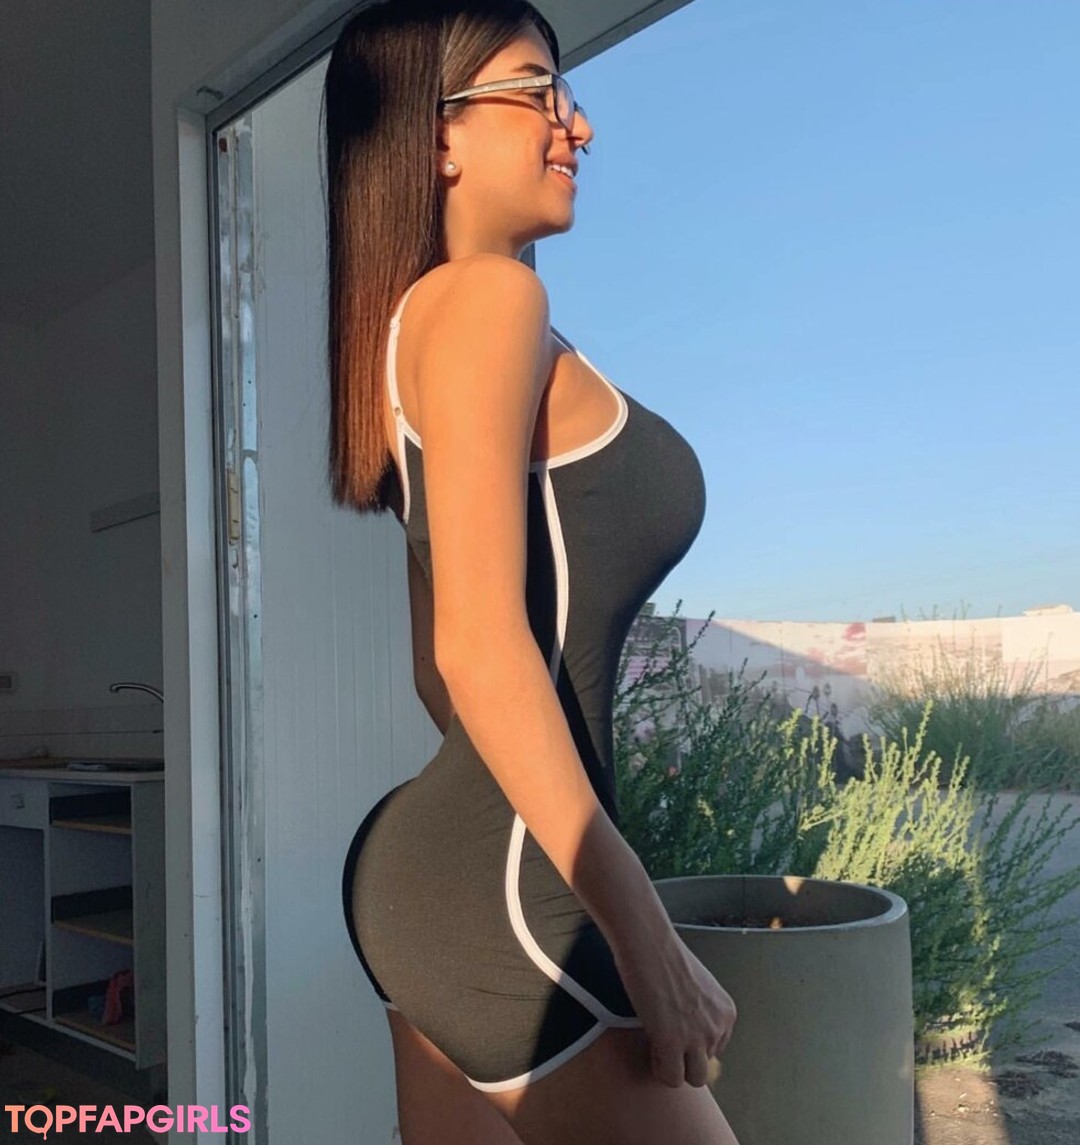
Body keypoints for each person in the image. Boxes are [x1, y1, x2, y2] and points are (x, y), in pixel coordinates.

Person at [327, 2, 740, 1141]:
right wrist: (644, 938)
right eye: (535, 90)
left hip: (452, 875)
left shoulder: (409, 332)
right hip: (506, 896)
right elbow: (473, 650)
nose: (577, 124)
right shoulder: (490, 302)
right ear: (437, 132)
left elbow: (438, 672)